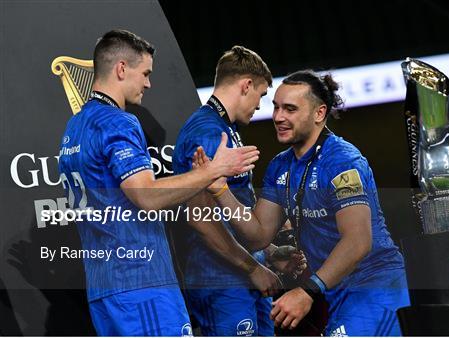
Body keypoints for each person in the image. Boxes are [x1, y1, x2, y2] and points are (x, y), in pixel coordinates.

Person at [57, 29, 272, 336]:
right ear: (121, 69)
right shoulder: (118, 121)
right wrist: (213, 170)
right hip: (142, 283)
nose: (148, 83)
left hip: (104, 288)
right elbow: (146, 196)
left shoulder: (74, 127)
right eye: (145, 73)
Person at [195, 70, 410, 335]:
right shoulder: (280, 165)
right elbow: (258, 234)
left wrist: (307, 291)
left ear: (319, 113)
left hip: (374, 286)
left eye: (290, 109)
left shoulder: (342, 161)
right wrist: (220, 190)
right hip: (336, 293)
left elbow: (358, 241)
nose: (278, 117)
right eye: (275, 107)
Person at [173, 45, 305, 336]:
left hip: (240, 278)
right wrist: (252, 268)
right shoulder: (208, 133)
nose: (260, 106)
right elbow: (202, 219)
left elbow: (229, 210)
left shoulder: (223, 128)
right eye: (260, 95)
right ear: (246, 85)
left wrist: (267, 251)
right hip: (221, 281)